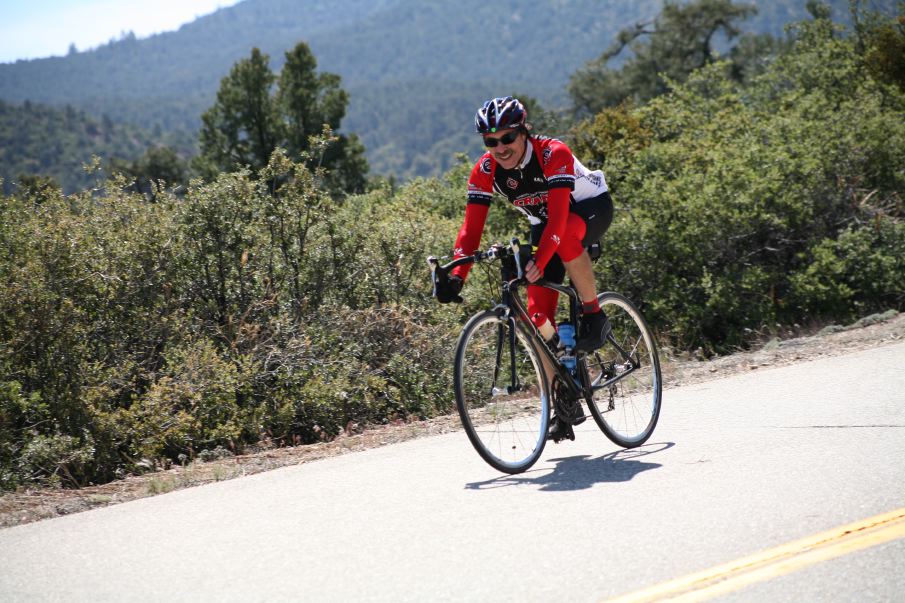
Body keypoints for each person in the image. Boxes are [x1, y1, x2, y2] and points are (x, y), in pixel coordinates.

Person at [435, 96, 614, 440]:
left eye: (507, 138)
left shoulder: (552, 153)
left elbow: (560, 220)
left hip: (588, 210)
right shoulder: (485, 170)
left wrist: (540, 261)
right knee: (535, 316)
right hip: (546, 225)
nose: (500, 148)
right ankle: (563, 394)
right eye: (490, 141)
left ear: (524, 133)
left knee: (558, 245)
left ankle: (593, 313)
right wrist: (456, 275)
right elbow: (470, 230)